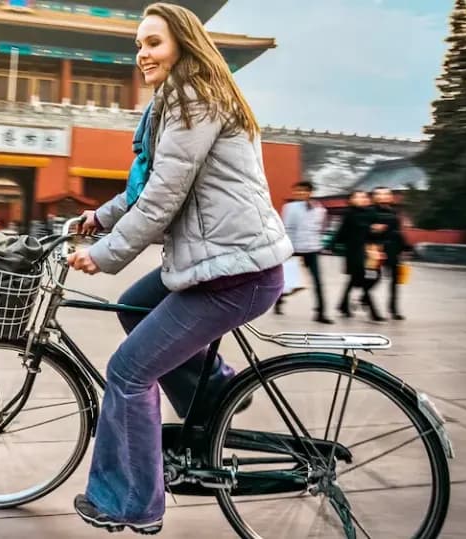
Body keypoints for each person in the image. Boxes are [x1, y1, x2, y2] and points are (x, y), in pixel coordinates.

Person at [65, 3, 293, 534]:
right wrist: (95, 220)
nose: (142, 54)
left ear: (184, 45)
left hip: (235, 274)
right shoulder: (173, 102)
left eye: (154, 43)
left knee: (127, 371)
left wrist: (102, 256)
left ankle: (132, 503)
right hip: (216, 266)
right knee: (134, 307)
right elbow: (147, 187)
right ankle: (215, 395)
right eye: (139, 45)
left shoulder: (194, 100)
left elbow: (162, 199)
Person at [275, 181, 332, 324]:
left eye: (303, 191)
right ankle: (279, 302)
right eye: (297, 191)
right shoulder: (289, 208)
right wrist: (287, 250)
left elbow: (321, 228)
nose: (300, 194)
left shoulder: (319, 208)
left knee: (318, 282)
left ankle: (321, 312)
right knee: (287, 281)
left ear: (309, 192)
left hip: (312, 250)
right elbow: (287, 228)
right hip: (295, 249)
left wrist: (319, 244)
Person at [330, 190, 384, 321]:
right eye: (358, 196)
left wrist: (377, 231)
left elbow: (375, 234)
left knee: (369, 278)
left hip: (369, 252)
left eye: (364, 196)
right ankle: (373, 312)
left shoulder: (371, 213)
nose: (362, 198)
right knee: (363, 279)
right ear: (351, 200)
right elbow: (341, 232)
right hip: (355, 253)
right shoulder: (349, 214)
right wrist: (332, 245)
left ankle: (343, 305)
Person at [369, 187, 408, 320]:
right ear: (374, 197)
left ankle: (393, 309)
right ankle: (365, 297)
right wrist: (374, 230)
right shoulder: (371, 212)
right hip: (377, 251)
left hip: (393, 250)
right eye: (380, 194)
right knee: (374, 278)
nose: (383, 196)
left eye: (387, 194)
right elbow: (366, 232)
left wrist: (404, 247)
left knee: (395, 281)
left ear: (391, 197)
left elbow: (397, 232)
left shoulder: (394, 212)